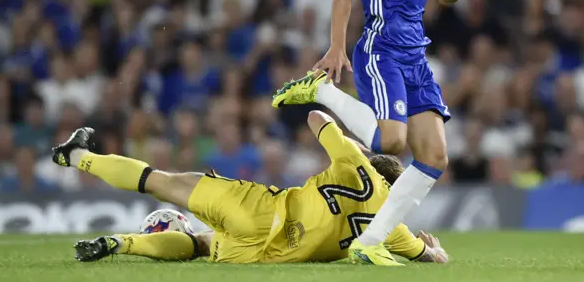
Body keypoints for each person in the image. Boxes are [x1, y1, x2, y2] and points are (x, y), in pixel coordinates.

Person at [271, 0, 515, 264]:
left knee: (435, 156)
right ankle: (323, 92)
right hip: (381, 51)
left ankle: (370, 242)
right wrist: (336, 48)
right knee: (392, 143)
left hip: (415, 56)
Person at [53, 112, 448, 265]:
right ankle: (121, 243)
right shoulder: (388, 228)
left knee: (162, 182)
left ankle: (77, 158)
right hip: (266, 257)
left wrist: (357, 147)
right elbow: (431, 260)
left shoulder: (357, 162)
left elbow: (315, 118)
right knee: (202, 246)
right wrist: (434, 250)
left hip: (259, 210)